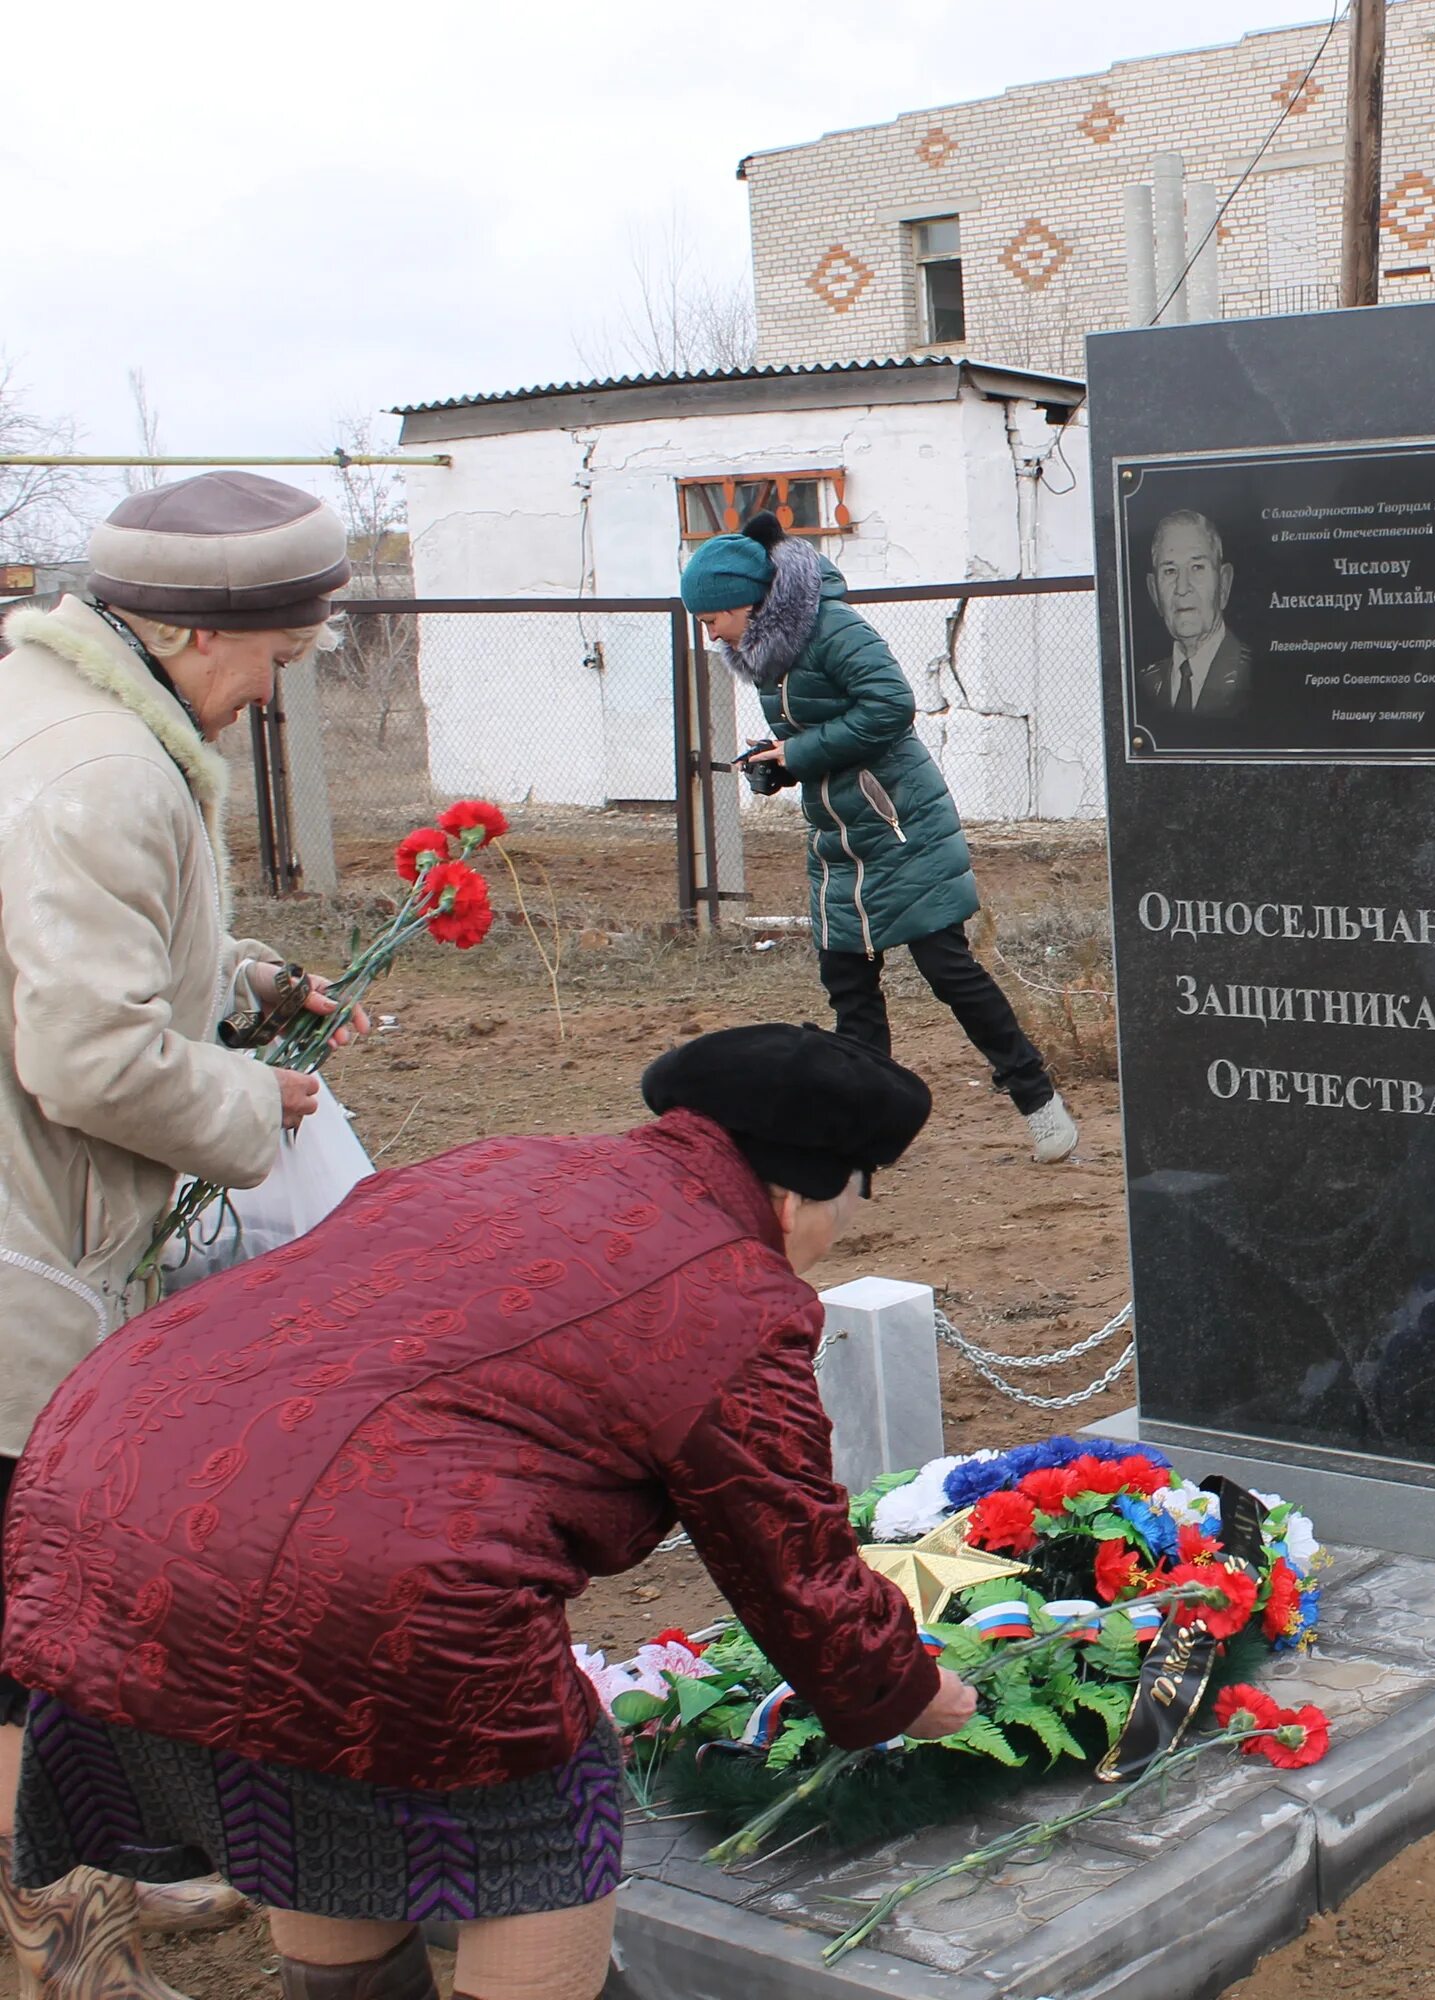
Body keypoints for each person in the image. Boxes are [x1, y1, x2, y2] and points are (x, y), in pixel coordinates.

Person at [1, 1024, 983, 2000]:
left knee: (307, 1757)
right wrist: (903, 1689)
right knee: (542, 1819)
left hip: (103, 1488)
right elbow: (788, 1554)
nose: (842, 1232)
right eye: (857, 1199)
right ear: (802, 1185)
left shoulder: (499, 1163)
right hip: (365, 1575)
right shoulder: (731, 1290)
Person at [0, 472, 369, 1984]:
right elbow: (84, 1057)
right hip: (22, 1244)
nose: (271, 692)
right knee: (28, 1610)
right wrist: (253, 1103)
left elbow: (76, 946)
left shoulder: (55, 710)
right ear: (193, 632)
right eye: (277, 658)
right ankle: (47, 1928)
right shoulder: (108, 774)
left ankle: (105, 1861)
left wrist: (243, 976)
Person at [680, 514, 1080, 1165]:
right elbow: (818, 739)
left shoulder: (831, 628)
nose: (710, 632)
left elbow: (891, 707)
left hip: (901, 824)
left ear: (743, 602)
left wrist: (801, 750)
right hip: (839, 842)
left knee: (949, 972)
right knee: (849, 985)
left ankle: (1039, 1103)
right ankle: (868, 1130)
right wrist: (777, 765)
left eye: (710, 619)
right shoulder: (767, 657)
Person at [1131, 510, 1256, 726]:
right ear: (1154, 592)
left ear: (1224, 584)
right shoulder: (1145, 684)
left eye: (1197, 567)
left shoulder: (1252, 676)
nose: (1182, 588)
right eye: (1170, 571)